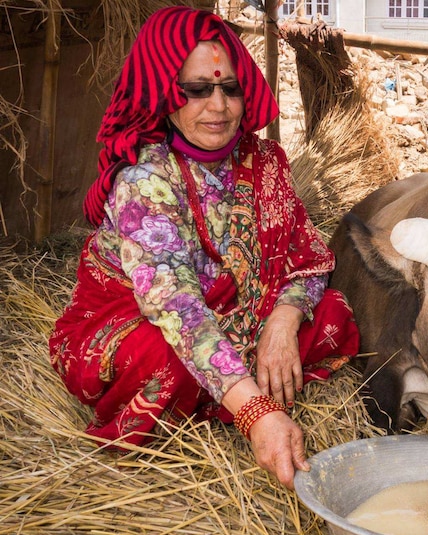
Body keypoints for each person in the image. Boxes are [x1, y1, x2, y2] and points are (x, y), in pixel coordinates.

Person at [48, 6, 360, 490]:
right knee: (162, 363)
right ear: (163, 92)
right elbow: (177, 307)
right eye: (197, 90)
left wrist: (282, 321)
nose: (219, 106)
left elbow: (308, 258)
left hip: (241, 311)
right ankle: (232, 389)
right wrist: (258, 413)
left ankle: (228, 382)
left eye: (230, 87)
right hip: (148, 317)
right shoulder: (145, 179)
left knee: (334, 314)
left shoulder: (265, 162)